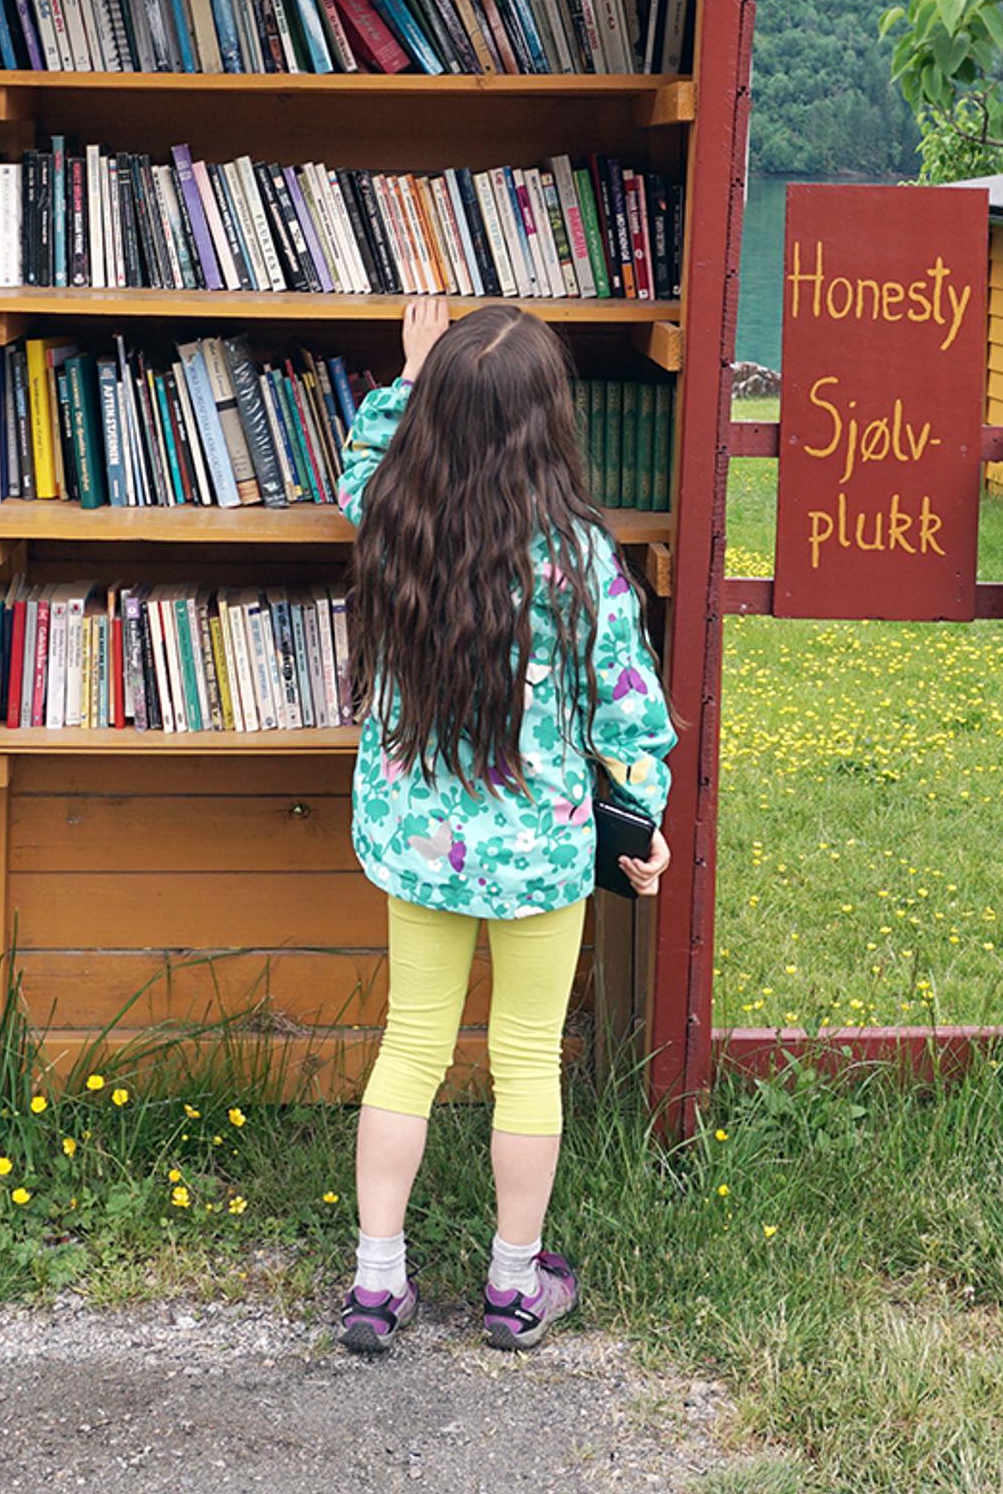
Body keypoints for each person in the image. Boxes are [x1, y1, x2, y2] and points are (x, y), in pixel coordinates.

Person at [333, 298, 674, 1356]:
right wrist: (643, 816)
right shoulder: (578, 557)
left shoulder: (393, 518)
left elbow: (358, 465)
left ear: (434, 415)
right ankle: (515, 1286)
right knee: (527, 1060)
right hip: (540, 857)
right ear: (548, 423)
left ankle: (378, 1284)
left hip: (420, 849)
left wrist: (406, 374)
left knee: (410, 1049)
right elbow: (628, 711)